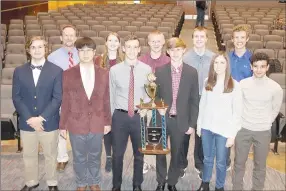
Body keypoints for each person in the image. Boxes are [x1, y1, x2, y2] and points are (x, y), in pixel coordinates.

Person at [59, 37, 111, 191]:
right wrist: (62, 125)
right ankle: (81, 183)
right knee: (79, 157)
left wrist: (107, 121)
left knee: (95, 155)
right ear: (78, 52)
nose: (86, 53)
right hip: (76, 122)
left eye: (89, 50)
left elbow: (107, 99)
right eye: (82, 50)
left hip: (97, 121)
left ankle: (94, 181)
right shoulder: (68, 74)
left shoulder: (104, 73)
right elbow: (65, 100)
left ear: (94, 52)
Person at [12, 36, 62, 191]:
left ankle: (52, 182)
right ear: (28, 50)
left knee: (50, 155)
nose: (37, 50)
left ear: (46, 49)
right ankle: (31, 181)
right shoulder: (19, 71)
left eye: (40, 47)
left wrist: (41, 118)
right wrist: (29, 118)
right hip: (27, 123)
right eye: (34, 47)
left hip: (49, 121)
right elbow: (17, 97)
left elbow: (57, 98)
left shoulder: (56, 71)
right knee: (29, 155)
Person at [233, 52, 283, 191]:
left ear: (267, 68)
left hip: (263, 131)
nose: (259, 69)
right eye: (256, 66)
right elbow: (238, 105)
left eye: (262, 66)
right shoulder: (243, 84)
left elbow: (275, 109)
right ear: (251, 67)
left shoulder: (275, 88)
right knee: (239, 163)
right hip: (244, 129)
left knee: (260, 166)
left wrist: (266, 123)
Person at [155, 37, 199, 191]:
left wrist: (192, 124)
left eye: (178, 49)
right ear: (167, 52)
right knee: (160, 152)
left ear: (183, 50)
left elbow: (194, 100)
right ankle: (160, 181)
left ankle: (172, 181)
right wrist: (158, 106)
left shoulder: (192, 72)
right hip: (162, 119)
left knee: (176, 153)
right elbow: (156, 96)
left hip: (181, 121)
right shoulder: (159, 71)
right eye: (172, 50)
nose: (175, 53)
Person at [109, 35, 152, 191]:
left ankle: (137, 184)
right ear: (123, 49)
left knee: (139, 154)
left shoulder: (147, 69)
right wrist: (110, 118)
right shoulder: (114, 70)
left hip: (139, 116)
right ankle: (116, 185)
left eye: (135, 47)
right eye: (129, 47)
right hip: (119, 117)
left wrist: (146, 107)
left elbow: (150, 93)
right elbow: (111, 95)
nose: (132, 50)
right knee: (118, 154)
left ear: (139, 49)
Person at [196, 53, 242, 191]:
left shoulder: (234, 85)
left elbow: (237, 112)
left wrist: (232, 135)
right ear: (212, 65)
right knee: (207, 159)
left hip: (224, 130)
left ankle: (219, 186)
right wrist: (199, 125)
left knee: (221, 162)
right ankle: (205, 183)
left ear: (227, 65)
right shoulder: (207, 82)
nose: (219, 66)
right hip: (207, 127)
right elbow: (202, 105)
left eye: (222, 63)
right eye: (216, 63)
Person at [182, 26, 215, 179]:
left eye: (202, 37)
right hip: (189, 100)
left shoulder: (214, 58)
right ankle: (181, 164)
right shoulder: (185, 57)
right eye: (196, 36)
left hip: (207, 100)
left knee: (202, 134)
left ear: (207, 39)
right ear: (192, 38)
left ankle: (199, 163)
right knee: (185, 133)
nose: (199, 39)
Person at [138, 30, 170, 174]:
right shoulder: (141, 60)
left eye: (159, 41)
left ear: (163, 42)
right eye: (153, 41)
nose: (156, 44)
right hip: (145, 103)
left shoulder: (168, 61)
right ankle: (146, 161)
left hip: (162, 104)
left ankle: (158, 161)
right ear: (148, 42)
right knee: (145, 131)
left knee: (159, 132)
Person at [47, 25, 79, 172]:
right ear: (61, 37)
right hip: (60, 98)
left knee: (78, 129)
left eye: (71, 35)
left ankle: (79, 157)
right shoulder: (52, 58)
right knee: (61, 129)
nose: (69, 38)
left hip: (78, 99)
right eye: (66, 35)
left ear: (76, 37)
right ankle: (62, 157)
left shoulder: (82, 54)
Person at [94, 32, 123, 173]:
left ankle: (117, 156)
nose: (112, 43)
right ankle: (109, 156)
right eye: (110, 40)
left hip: (119, 100)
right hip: (103, 99)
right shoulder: (98, 60)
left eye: (115, 40)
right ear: (106, 43)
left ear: (119, 44)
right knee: (106, 129)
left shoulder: (123, 59)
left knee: (117, 129)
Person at [227, 24, 253, 170]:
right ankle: (226, 161)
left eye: (242, 37)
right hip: (228, 101)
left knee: (241, 137)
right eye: (236, 37)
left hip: (244, 102)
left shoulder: (252, 59)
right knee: (227, 133)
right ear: (232, 39)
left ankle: (239, 163)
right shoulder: (227, 57)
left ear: (247, 39)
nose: (239, 40)